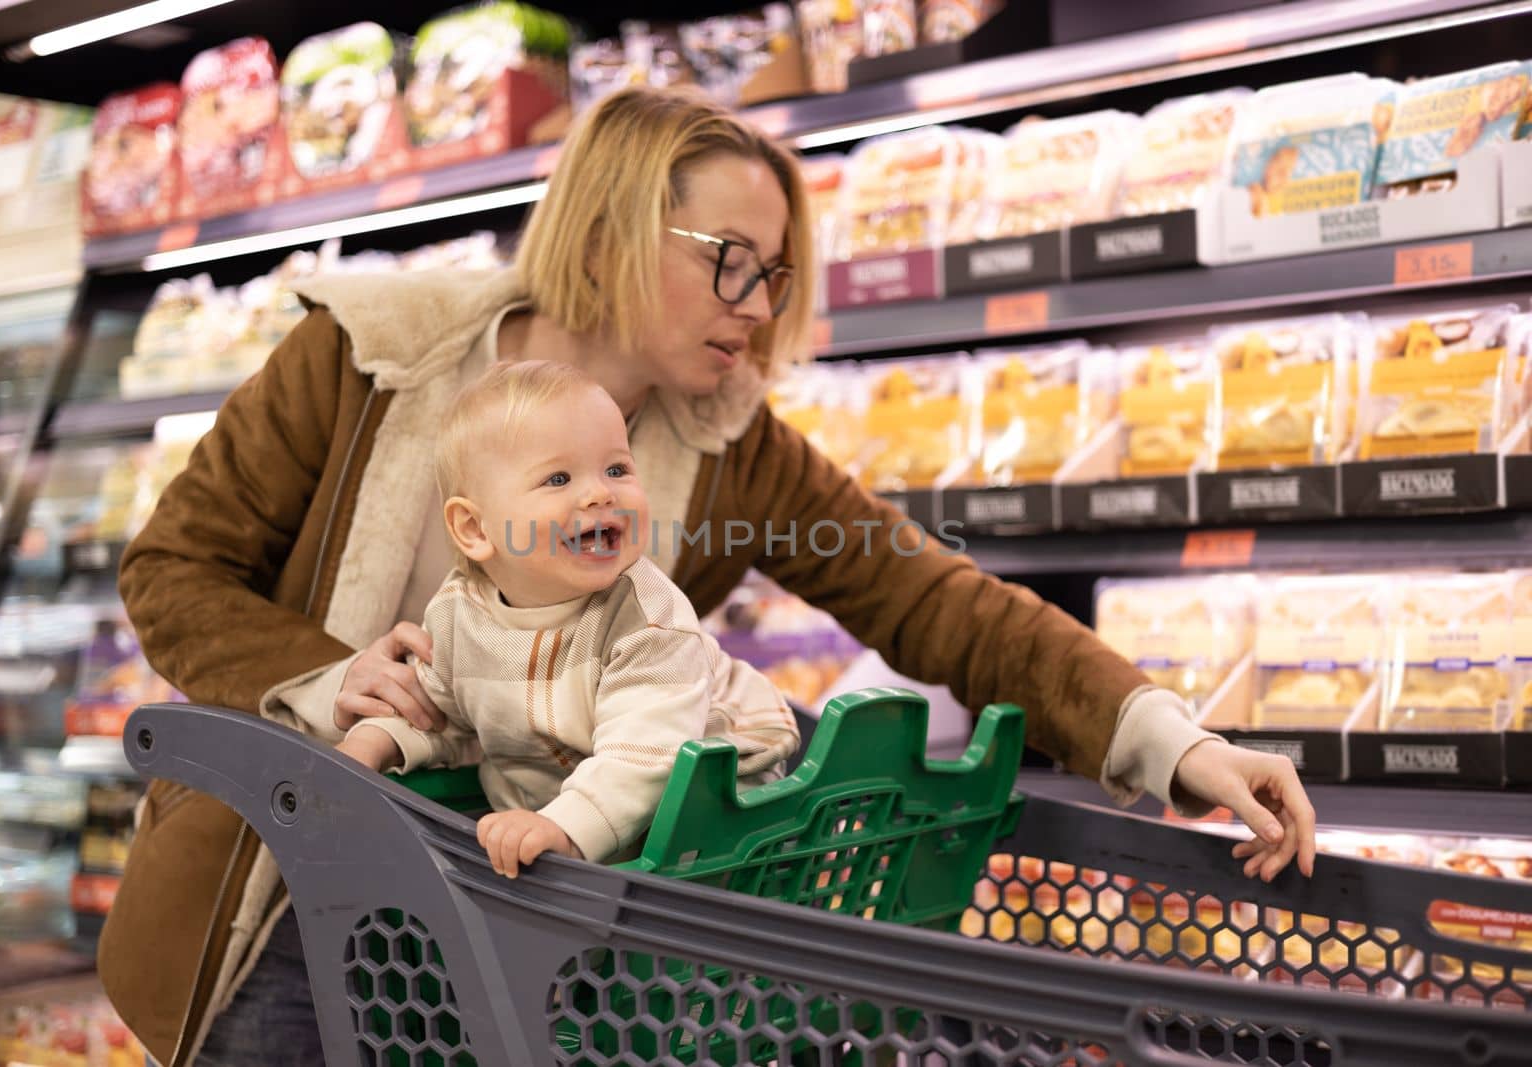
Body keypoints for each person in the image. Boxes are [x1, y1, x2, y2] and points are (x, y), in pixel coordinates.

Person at [105, 85, 1317, 1067]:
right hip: (284, 888)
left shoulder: (731, 450)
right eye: (728, 259)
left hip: (537, 915)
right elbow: (172, 567)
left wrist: (1171, 742)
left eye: (776, 272)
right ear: (606, 230)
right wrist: (329, 678)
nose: (757, 304)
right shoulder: (368, 358)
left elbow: (934, 600)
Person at [330, 360, 800, 876]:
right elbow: (437, 709)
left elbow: (646, 758)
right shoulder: (459, 614)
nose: (601, 493)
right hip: (573, 809)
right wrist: (368, 746)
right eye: (558, 478)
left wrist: (565, 828)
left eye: (617, 469)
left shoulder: (647, 620)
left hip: (722, 798)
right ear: (473, 528)